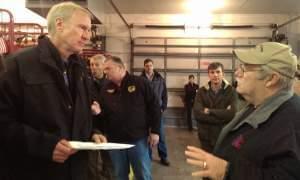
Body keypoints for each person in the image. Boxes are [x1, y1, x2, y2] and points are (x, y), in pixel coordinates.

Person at [0, 2, 106, 180]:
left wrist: (93, 132)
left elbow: (83, 111)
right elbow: (3, 122)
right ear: (59, 24)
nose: (88, 36)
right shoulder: (17, 65)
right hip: (35, 170)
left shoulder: (79, 67)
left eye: (89, 30)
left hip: (77, 170)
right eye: (83, 28)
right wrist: (43, 145)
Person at [185, 42, 300, 180]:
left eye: (245, 69)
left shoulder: (291, 124)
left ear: (271, 79)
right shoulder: (256, 104)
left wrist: (227, 172)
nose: (237, 73)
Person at [98, 56, 161, 180]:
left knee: (143, 174)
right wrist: (98, 112)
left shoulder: (140, 83)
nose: (105, 72)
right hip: (115, 141)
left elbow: (155, 107)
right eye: (104, 69)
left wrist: (155, 131)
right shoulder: (105, 88)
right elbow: (104, 114)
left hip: (137, 140)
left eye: (108, 68)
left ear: (120, 68)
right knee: (119, 175)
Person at [193, 62, 237, 152]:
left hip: (223, 136)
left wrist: (209, 111)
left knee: (220, 164)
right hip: (206, 137)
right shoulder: (202, 91)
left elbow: (231, 114)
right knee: (206, 163)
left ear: (223, 73)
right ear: (208, 74)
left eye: (218, 72)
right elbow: (197, 114)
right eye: (212, 72)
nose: (215, 75)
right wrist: (222, 113)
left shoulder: (231, 91)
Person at [140, 58, 170, 166]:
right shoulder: (140, 79)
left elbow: (165, 95)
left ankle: (163, 156)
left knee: (160, 135)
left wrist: (163, 107)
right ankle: (148, 156)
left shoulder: (160, 79)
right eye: (147, 65)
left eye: (150, 65)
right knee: (146, 135)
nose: (149, 67)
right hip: (144, 113)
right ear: (144, 67)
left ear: (153, 66)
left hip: (157, 112)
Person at [88, 54, 113, 180]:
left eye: (96, 65)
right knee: (91, 162)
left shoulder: (111, 85)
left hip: (108, 127)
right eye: (91, 65)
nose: (93, 67)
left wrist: (101, 111)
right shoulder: (86, 84)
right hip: (91, 127)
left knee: (108, 159)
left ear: (104, 66)